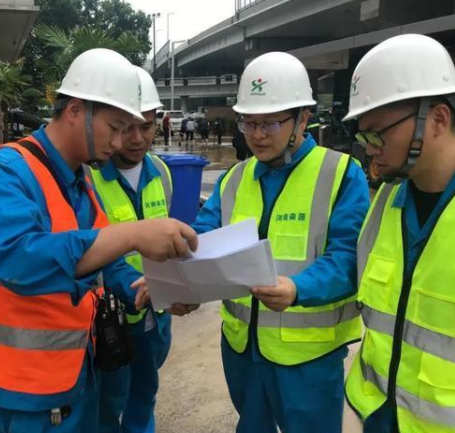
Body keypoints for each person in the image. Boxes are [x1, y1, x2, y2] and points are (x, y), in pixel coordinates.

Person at [0, 48, 198, 433]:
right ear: (75, 110)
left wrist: (156, 291)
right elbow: (20, 260)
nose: (121, 141)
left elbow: (108, 264)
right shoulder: (4, 174)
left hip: (77, 373)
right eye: (116, 127)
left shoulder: (80, 181)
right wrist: (133, 234)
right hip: (25, 386)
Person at [192, 52, 370, 433]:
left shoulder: (340, 174)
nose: (257, 135)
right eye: (248, 122)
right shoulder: (233, 179)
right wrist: (176, 276)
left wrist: (298, 288)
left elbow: (349, 259)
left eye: (270, 123)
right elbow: (202, 239)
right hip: (242, 349)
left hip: (309, 358)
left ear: (302, 118)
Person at [342, 33, 455, 433]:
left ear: (438, 119)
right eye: (362, 135)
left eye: (378, 132)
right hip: (377, 417)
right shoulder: (386, 201)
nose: (368, 147)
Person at [86, 66, 198, 433]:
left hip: (154, 319)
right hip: (107, 321)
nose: (136, 139)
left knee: (144, 397)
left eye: (146, 126)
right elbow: (88, 253)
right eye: (127, 127)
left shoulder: (161, 172)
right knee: (106, 408)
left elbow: (178, 244)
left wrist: (182, 287)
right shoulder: (88, 178)